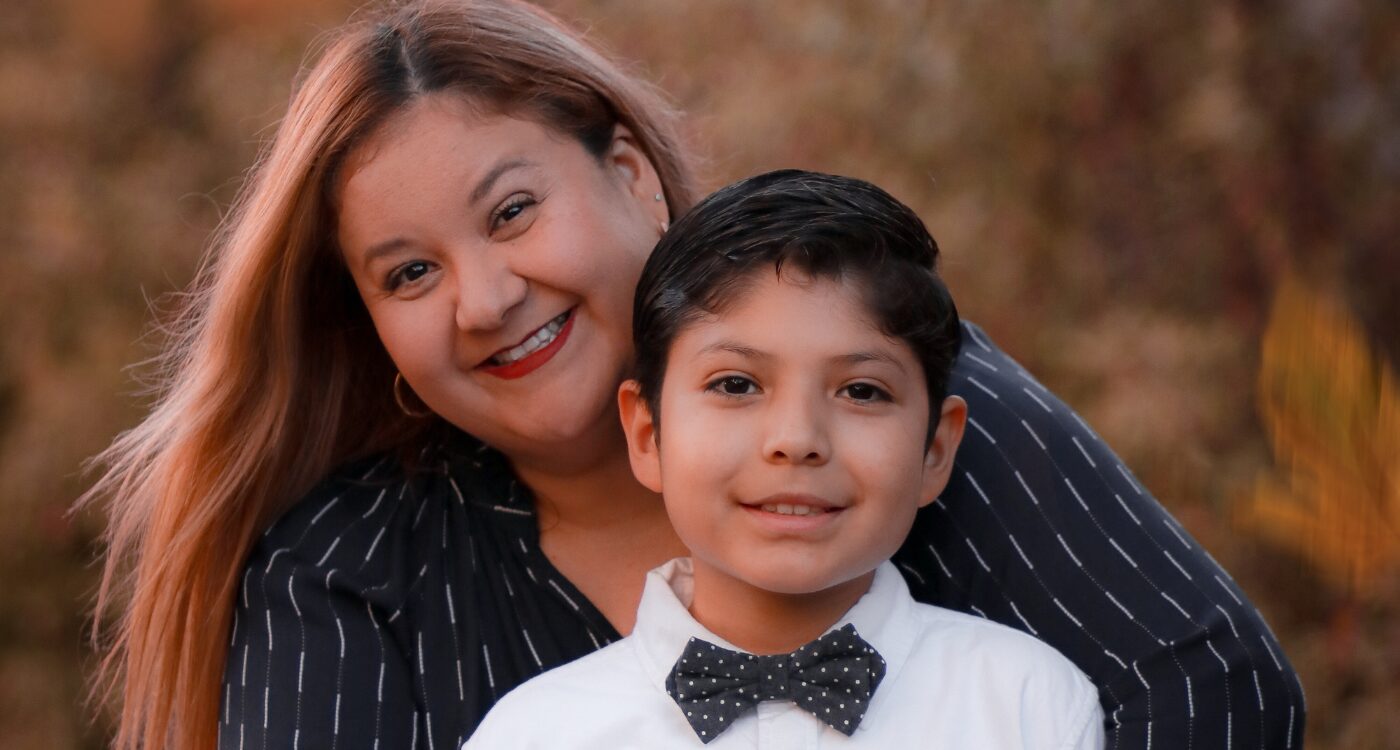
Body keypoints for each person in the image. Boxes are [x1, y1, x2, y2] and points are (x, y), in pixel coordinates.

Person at [78, 1, 1303, 749]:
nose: (484, 298)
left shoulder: (869, 394)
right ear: (370, 333)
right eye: (407, 275)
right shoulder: (348, 579)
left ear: (629, 177)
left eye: (511, 211)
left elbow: (1210, 687)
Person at [465, 169, 1107, 748]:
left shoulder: (1032, 707)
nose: (796, 438)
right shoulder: (534, 733)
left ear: (935, 449)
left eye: (861, 391)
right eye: (736, 385)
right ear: (647, 435)